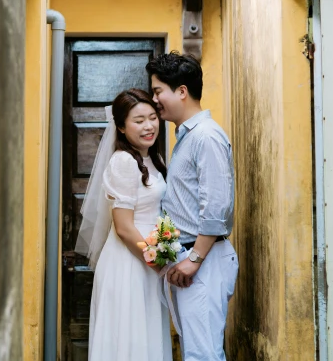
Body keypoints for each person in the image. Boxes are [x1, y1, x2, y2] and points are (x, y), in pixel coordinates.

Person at [146, 51, 237, 361]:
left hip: (205, 260)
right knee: (196, 353)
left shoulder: (206, 136)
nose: (154, 99)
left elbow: (216, 206)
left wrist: (194, 259)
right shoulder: (186, 136)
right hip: (192, 258)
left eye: (158, 91)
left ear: (181, 91)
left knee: (203, 356)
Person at [75, 89, 172, 361]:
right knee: (128, 340)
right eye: (138, 120)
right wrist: (156, 260)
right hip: (129, 262)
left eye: (153, 117)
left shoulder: (154, 159)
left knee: (146, 336)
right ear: (120, 125)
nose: (149, 126)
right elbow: (123, 227)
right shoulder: (123, 162)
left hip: (146, 260)